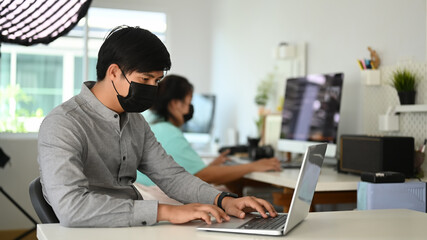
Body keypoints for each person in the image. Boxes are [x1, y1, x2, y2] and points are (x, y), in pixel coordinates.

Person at [37, 26, 277, 228]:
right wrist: (165, 212)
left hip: (132, 228)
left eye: (157, 81)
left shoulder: (135, 121)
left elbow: (171, 176)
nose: (152, 88)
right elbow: (72, 208)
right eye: (145, 80)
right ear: (113, 72)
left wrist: (223, 200)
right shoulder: (63, 124)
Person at [135, 74, 281, 198]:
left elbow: (189, 172)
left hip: (147, 194)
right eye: (188, 103)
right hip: (161, 197)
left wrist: (211, 168)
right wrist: (253, 166)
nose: (189, 110)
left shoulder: (148, 121)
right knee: (231, 196)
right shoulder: (168, 132)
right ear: (175, 104)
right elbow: (202, 175)